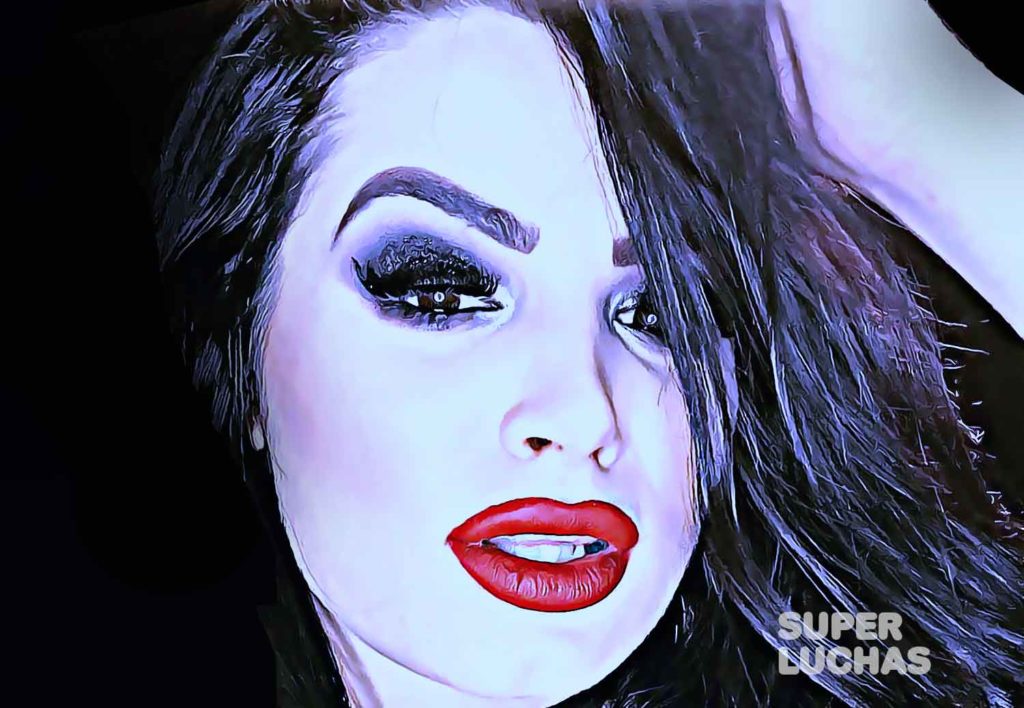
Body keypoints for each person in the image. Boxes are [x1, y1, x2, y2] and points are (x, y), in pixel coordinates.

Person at [152, 0, 1023, 705]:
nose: (581, 410)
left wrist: (907, 126)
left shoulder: (832, 653)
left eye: (658, 314)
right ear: (243, 340)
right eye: (438, 292)